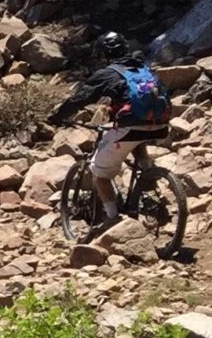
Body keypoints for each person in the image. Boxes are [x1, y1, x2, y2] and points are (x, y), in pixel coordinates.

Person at [42, 39, 173, 223]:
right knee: (137, 143)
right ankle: (148, 176)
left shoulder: (107, 74)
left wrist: (58, 116)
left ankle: (113, 219)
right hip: (160, 126)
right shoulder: (142, 68)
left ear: (103, 55)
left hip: (131, 128)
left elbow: (81, 98)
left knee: (100, 174)